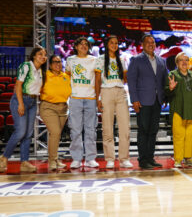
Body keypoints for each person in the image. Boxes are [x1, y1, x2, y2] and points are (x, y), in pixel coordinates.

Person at [0, 47, 47, 172]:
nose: (43, 56)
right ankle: (4, 158)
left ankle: (24, 162)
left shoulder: (40, 71)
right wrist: (20, 104)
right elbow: (18, 85)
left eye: (45, 55)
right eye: (40, 54)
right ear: (33, 56)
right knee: (20, 132)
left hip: (32, 101)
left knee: (28, 134)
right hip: (21, 100)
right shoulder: (26, 66)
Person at [127, 34, 168, 169]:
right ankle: (143, 160)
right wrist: (134, 100)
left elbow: (164, 82)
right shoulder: (136, 60)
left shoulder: (162, 61)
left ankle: (150, 158)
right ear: (143, 45)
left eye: (153, 42)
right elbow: (131, 81)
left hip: (157, 101)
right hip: (143, 101)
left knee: (153, 131)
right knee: (143, 131)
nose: (151, 44)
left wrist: (165, 97)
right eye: (148, 42)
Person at [95, 36, 133, 169]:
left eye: (116, 43)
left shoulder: (122, 59)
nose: (114, 45)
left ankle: (124, 158)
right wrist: (97, 98)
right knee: (107, 127)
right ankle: (110, 158)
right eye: (112, 43)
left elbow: (126, 79)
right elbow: (98, 80)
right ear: (107, 44)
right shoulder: (100, 59)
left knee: (125, 127)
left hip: (121, 92)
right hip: (106, 92)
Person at [165, 52, 192, 168]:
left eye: (186, 60)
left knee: (190, 135)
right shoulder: (172, 74)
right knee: (179, 135)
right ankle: (178, 159)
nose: (184, 62)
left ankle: (188, 157)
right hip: (178, 110)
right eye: (181, 60)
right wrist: (170, 88)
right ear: (177, 63)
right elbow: (166, 91)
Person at [65, 37, 99, 169]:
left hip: (90, 98)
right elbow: (67, 79)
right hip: (75, 98)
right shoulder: (70, 60)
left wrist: (97, 97)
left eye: (86, 44)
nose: (84, 46)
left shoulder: (94, 60)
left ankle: (90, 158)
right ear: (76, 46)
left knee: (91, 129)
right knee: (75, 129)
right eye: (81, 44)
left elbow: (97, 80)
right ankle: (77, 158)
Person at [40, 55, 71, 170]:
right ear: (50, 64)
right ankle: (52, 160)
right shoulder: (44, 75)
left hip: (63, 108)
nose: (58, 64)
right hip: (48, 107)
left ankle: (55, 158)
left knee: (56, 135)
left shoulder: (66, 76)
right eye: (55, 62)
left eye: (59, 61)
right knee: (56, 132)